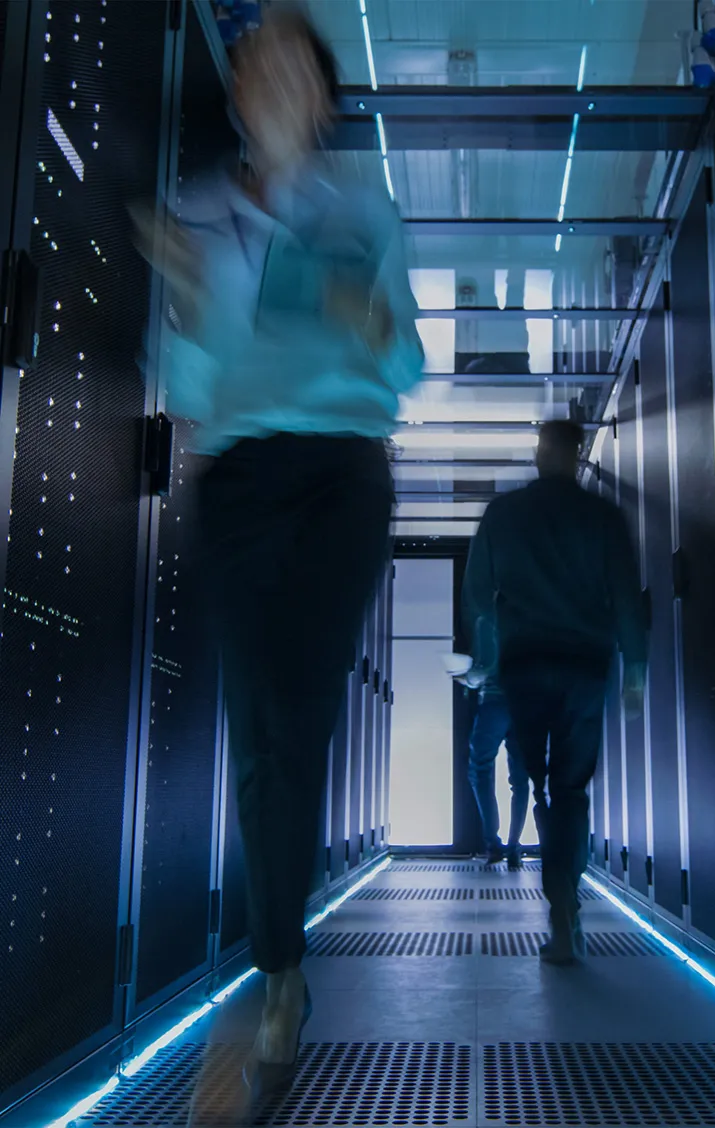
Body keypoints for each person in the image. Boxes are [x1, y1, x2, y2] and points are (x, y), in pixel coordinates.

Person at [133, 7, 422, 1112]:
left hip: (343, 472)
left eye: (292, 64)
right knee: (262, 721)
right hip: (242, 479)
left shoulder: (364, 209)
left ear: (326, 97)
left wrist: (364, 320)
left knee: (295, 705)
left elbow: (406, 364)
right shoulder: (202, 211)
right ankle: (283, 968)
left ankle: (276, 977)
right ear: (240, 92)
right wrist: (199, 303)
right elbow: (193, 386)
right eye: (253, 63)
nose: (267, 77)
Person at [461, 420, 648, 965]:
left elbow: (477, 596)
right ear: (579, 454)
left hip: (524, 665)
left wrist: (486, 662)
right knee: (573, 786)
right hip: (585, 665)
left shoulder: (504, 515)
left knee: (538, 781)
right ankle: (565, 894)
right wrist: (635, 666)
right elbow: (626, 599)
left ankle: (557, 895)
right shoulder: (604, 518)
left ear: (540, 453)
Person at [467, 676, 530, 868]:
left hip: (494, 702)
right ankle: (514, 848)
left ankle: (493, 845)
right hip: (526, 703)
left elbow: (484, 669)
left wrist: (468, 677)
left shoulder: (491, 643)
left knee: (480, 770)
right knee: (520, 779)